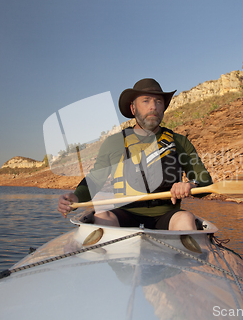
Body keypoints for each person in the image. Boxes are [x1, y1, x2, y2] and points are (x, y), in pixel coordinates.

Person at [57, 78, 212, 230]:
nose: (153, 106)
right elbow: (94, 181)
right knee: (102, 216)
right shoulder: (114, 143)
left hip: (167, 217)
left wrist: (191, 185)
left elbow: (205, 181)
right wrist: (75, 197)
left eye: (158, 101)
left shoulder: (180, 142)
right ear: (133, 108)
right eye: (146, 101)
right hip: (125, 214)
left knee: (186, 219)